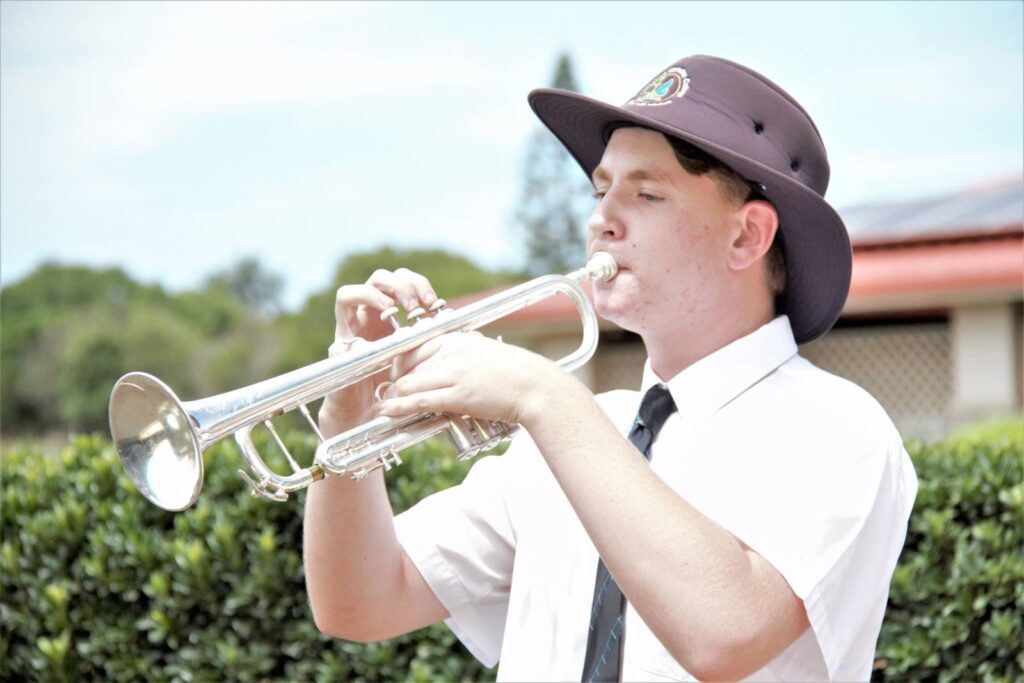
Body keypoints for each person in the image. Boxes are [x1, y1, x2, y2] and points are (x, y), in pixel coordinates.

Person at [303, 55, 918, 682]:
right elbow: (359, 603)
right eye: (601, 190)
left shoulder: (839, 429)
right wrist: (344, 408)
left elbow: (727, 635)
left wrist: (545, 395)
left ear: (746, 237)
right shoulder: (580, 428)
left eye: (646, 193)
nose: (600, 220)